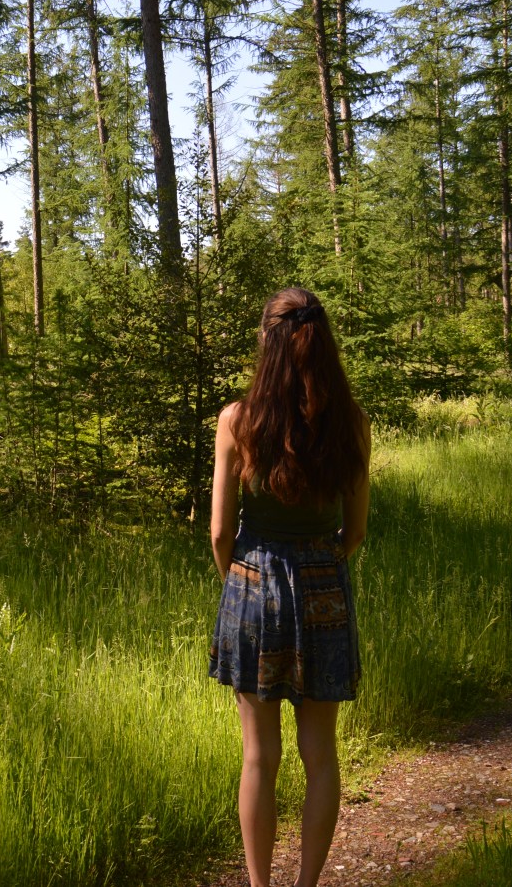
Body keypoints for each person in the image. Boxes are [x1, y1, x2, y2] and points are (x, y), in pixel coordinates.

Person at [208, 287, 371, 887]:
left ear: (266, 341)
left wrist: (240, 582)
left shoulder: (238, 420)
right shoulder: (352, 424)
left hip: (252, 583)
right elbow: (355, 531)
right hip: (324, 584)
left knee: (259, 756)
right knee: (320, 754)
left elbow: (220, 532)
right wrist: (318, 565)